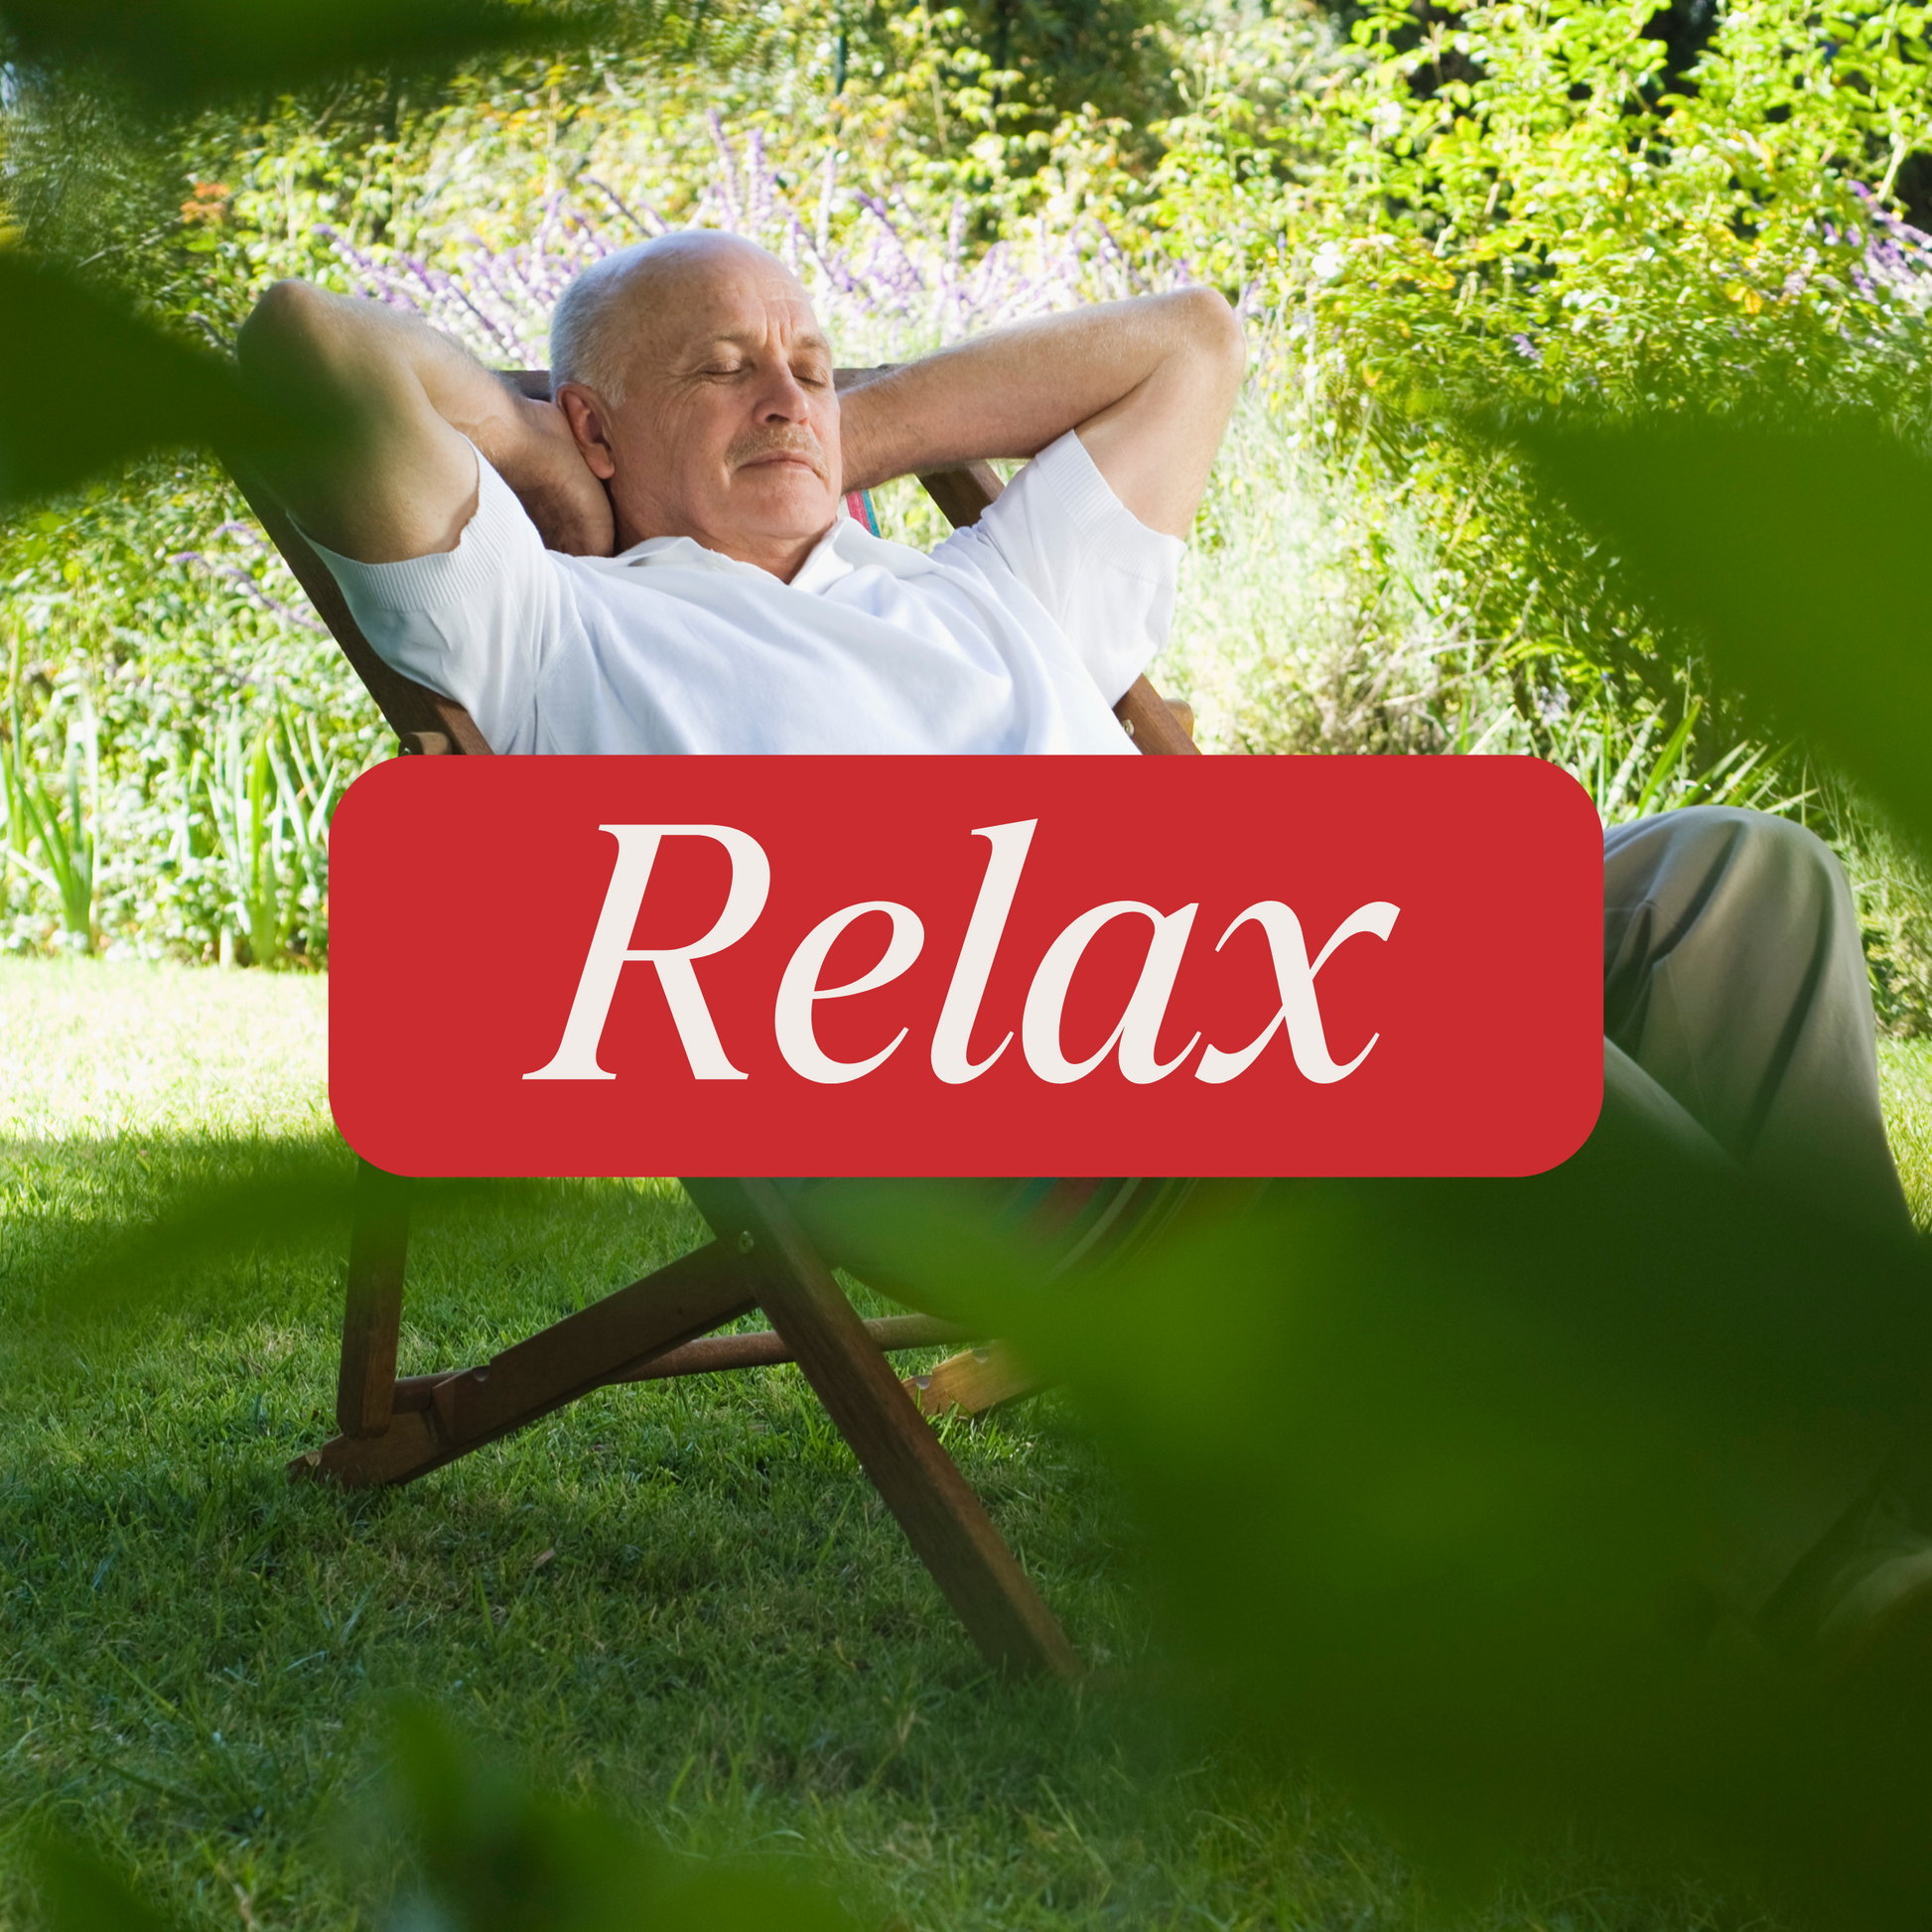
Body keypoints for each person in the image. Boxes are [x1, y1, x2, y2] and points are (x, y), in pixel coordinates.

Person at [237, 232, 1927, 1673]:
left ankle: (1855, 1439)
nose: (783, 394)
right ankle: (1810, 1539)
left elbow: (1187, 342)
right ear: (592, 419)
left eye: (809, 364)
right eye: (722, 368)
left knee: (1736, 880)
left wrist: (828, 427)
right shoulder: (549, 631)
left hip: (1247, 977)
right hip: (1013, 1091)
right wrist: (552, 472)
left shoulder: (985, 590)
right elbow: (302, 343)